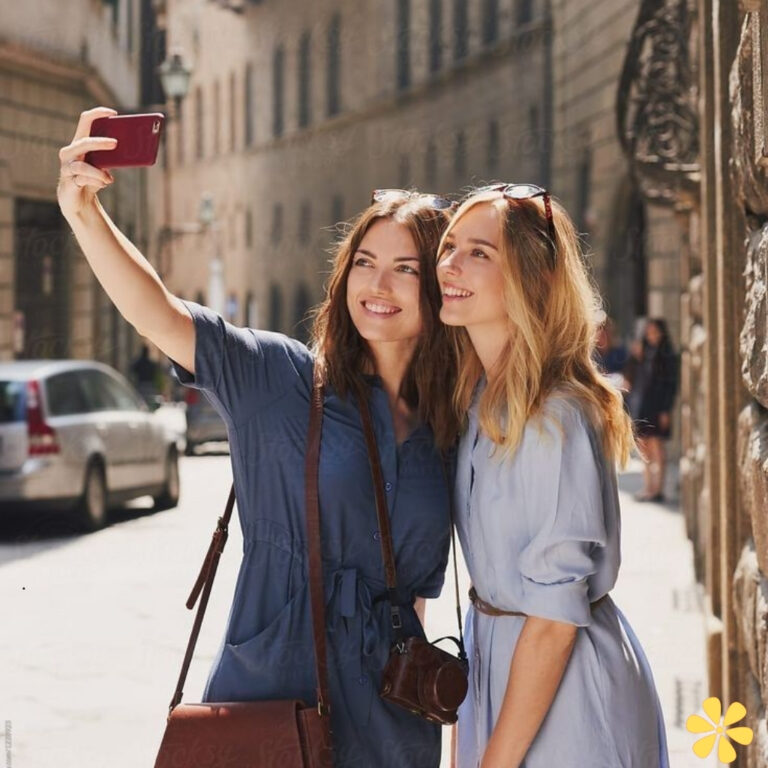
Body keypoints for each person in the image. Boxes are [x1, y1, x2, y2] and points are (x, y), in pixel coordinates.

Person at [56, 106, 460, 767]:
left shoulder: (446, 425)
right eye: (364, 261)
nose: (378, 285)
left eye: (406, 269)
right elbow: (159, 314)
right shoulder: (282, 379)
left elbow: (411, 589)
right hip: (275, 703)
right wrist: (83, 215)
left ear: (438, 290)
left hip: (394, 724)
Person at [436, 183, 669, 768]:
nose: (451, 264)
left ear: (533, 279)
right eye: (450, 246)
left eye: (480, 252)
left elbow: (552, 624)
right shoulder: (479, 402)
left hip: (563, 691)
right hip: (503, 671)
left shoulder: (554, 417)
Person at [624, 318, 679, 502]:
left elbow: (670, 385)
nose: (652, 335)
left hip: (657, 406)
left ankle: (658, 489)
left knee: (656, 447)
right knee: (644, 447)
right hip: (642, 405)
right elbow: (632, 378)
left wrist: (665, 409)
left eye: (655, 331)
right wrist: (635, 356)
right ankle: (648, 487)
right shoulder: (643, 354)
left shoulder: (667, 355)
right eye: (649, 332)